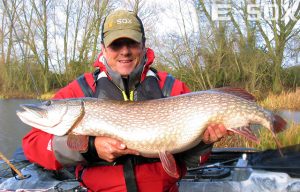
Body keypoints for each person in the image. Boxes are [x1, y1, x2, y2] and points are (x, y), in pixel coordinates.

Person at [22, 9, 230, 192]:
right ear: (103, 49)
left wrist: (204, 143)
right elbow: (33, 147)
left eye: (131, 42)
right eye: (116, 45)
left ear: (143, 45)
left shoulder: (173, 89)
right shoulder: (80, 91)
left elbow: (193, 161)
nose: (125, 51)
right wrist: (91, 147)